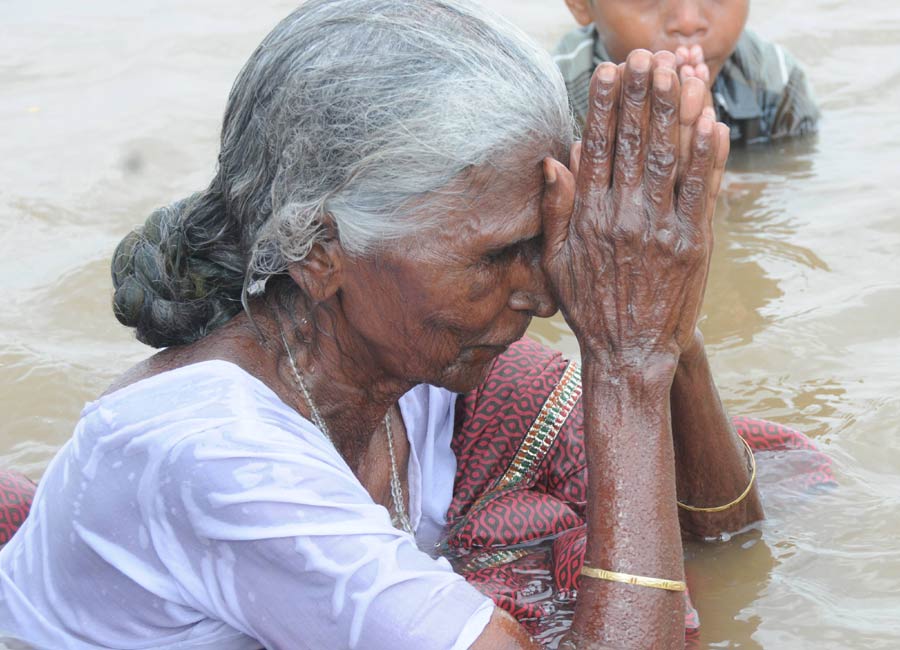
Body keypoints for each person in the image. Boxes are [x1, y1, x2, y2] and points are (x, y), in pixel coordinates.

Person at [0, 1, 766, 648]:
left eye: (548, 241)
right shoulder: (215, 458)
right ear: (320, 252)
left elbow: (730, 537)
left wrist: (662, 320)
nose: (543, 290)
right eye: (502, 253)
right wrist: (627, 364)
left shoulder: (403, 363)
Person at [555, 0, 820, 144]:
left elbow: (794, 179)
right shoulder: (556, 99)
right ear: (580, 5)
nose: (688, 21)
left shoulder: (775, 81)